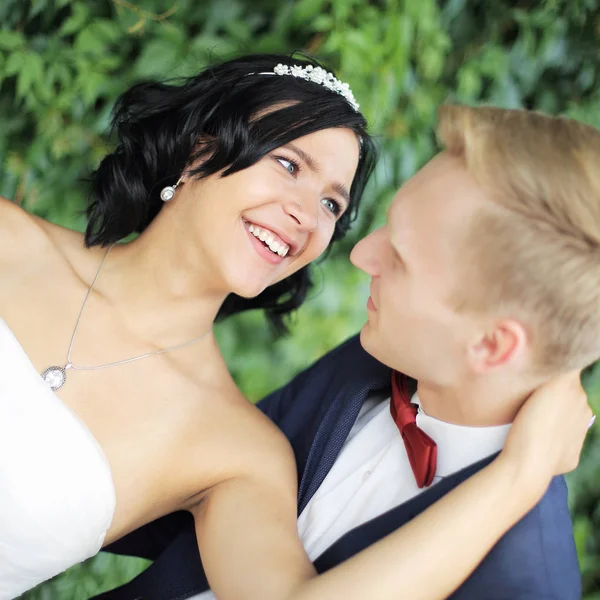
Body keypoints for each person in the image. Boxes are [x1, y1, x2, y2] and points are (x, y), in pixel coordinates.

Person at [0, 49, 591, 600]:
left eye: (332, 204)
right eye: (287, 163)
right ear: (201, 146)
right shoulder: (11, 241)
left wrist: (520, 473)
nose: (307, 217)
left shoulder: (238, 451)